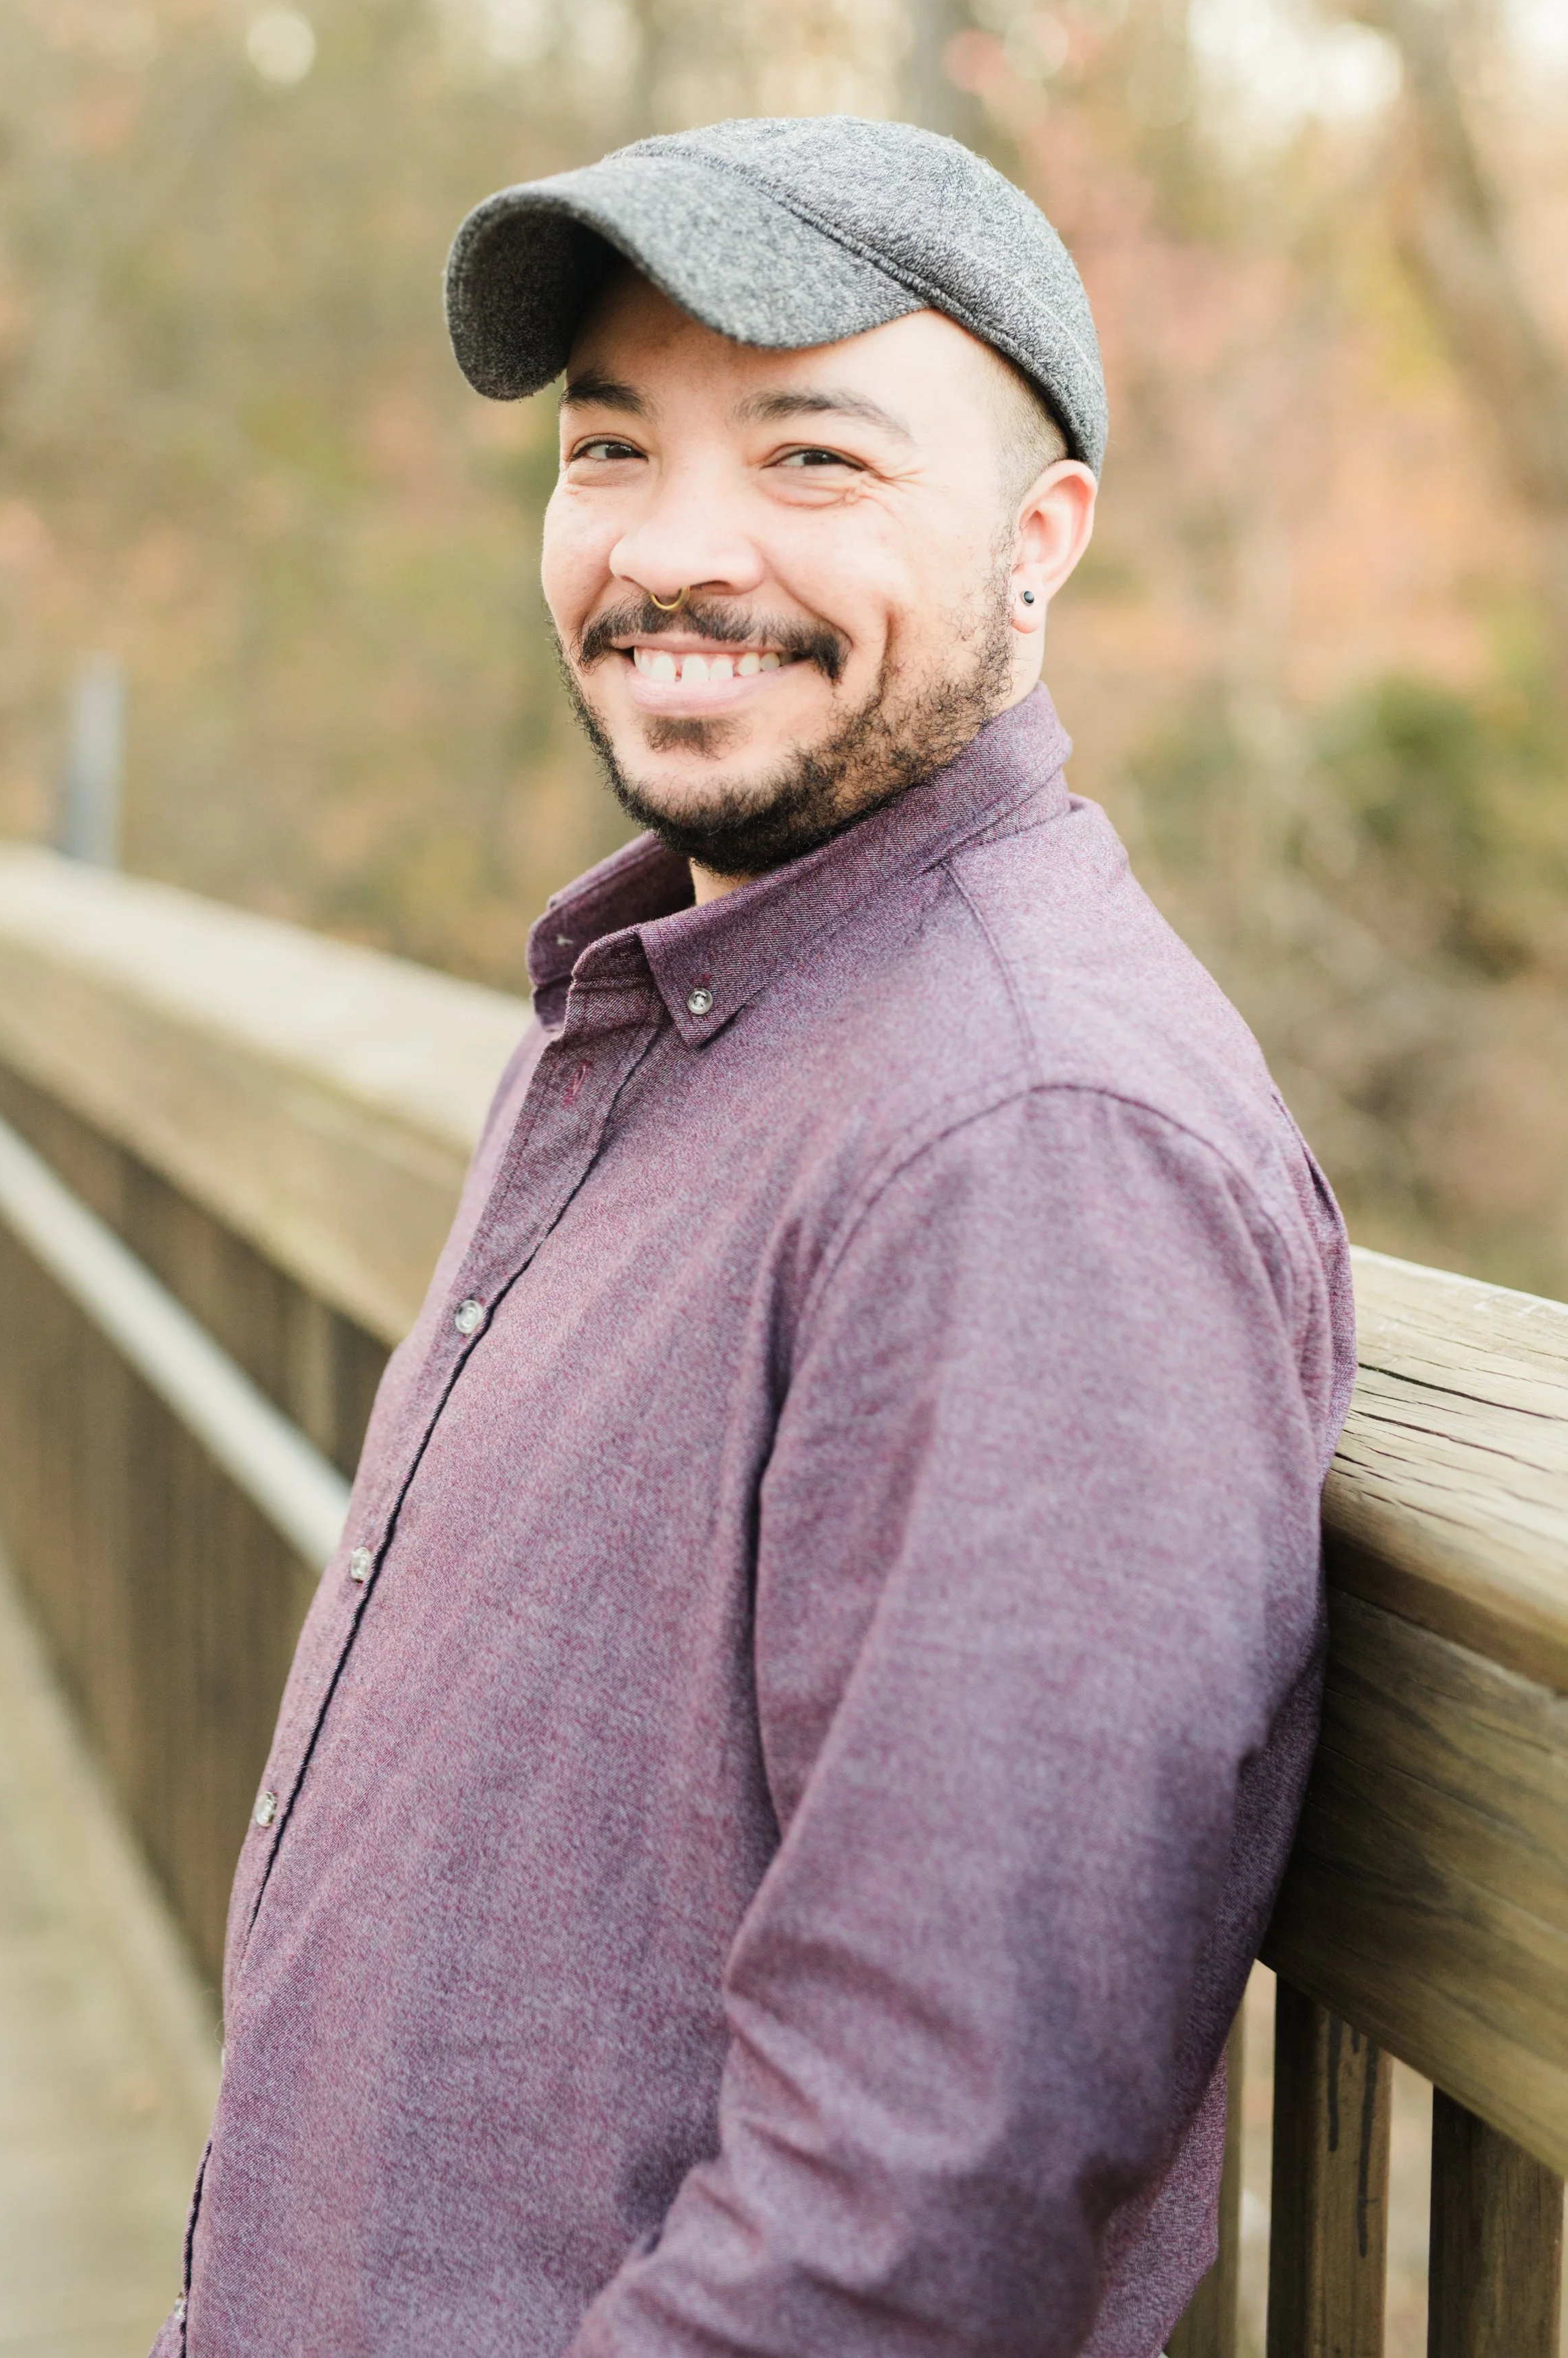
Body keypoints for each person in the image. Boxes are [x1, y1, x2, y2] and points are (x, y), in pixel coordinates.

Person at [155, 116, 1353, 2358]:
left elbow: (921, 2187)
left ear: (1037, 539)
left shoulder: (1031, 1139)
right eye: (610, 448)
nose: (674, 549)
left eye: (811, 457)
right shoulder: (688, 1007)